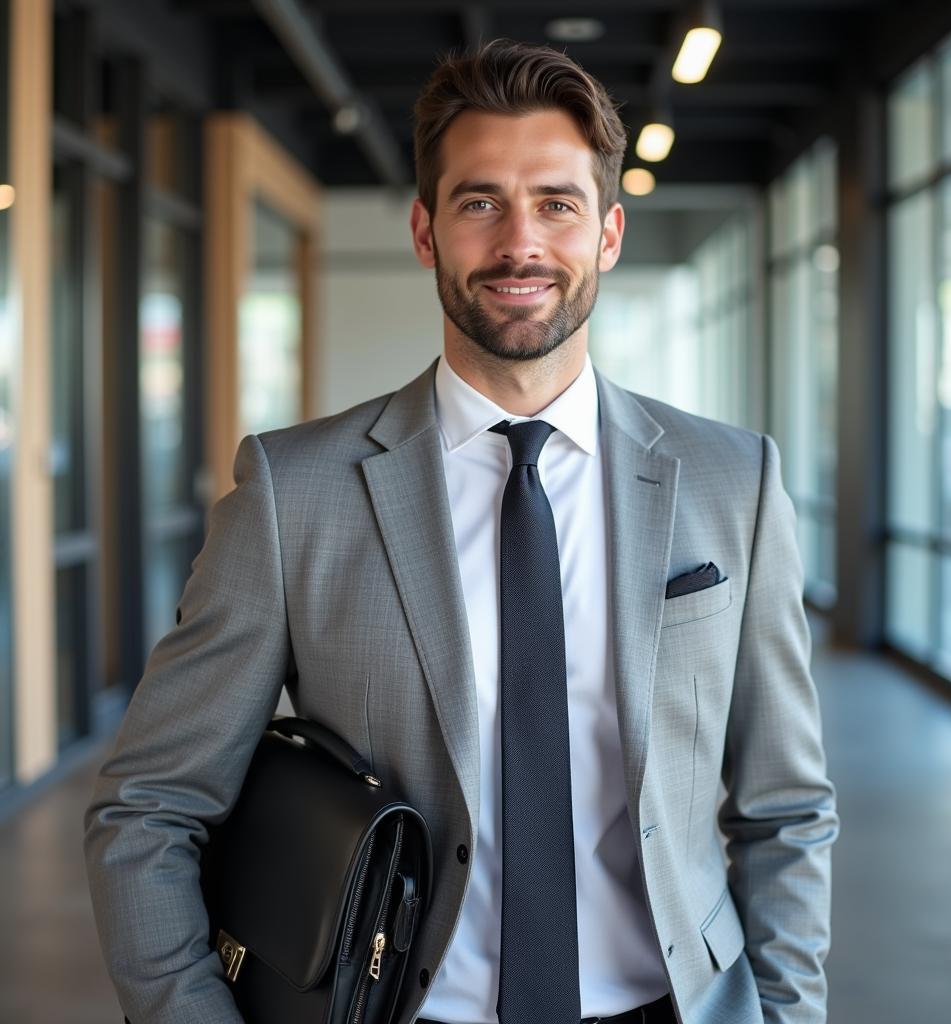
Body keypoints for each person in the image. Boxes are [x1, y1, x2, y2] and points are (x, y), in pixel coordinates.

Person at [85, 39, 838, 1024]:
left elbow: (785, 810)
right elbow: (147, 810)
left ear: (607, 233)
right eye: (480, 201)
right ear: (425, 230)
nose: (519, 243)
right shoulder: (292, 492)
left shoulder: (732, 480)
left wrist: (784, 1013)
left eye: (556, 203)